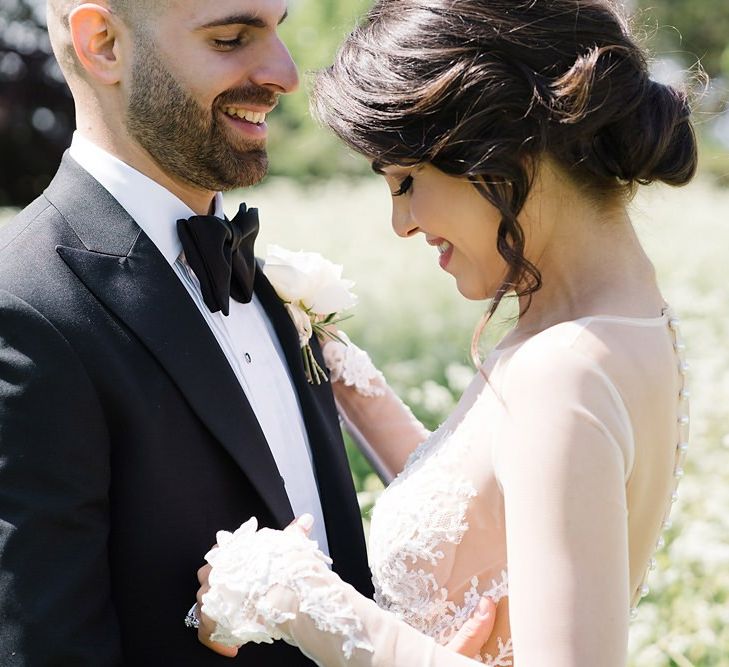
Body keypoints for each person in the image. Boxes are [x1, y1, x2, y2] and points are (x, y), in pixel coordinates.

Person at [194, 0, 695, 665]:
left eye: (404, 180)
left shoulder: (562, 370)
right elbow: (477, 511)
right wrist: (340, 366)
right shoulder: (612, 326)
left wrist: (298, 597)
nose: (399, 224)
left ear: (501, 144)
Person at [0, 1, 382, 664]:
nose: (285, 73)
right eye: (231, 37)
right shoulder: (26, 309)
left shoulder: (270, 281)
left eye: (278, 32)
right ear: (103, 43)